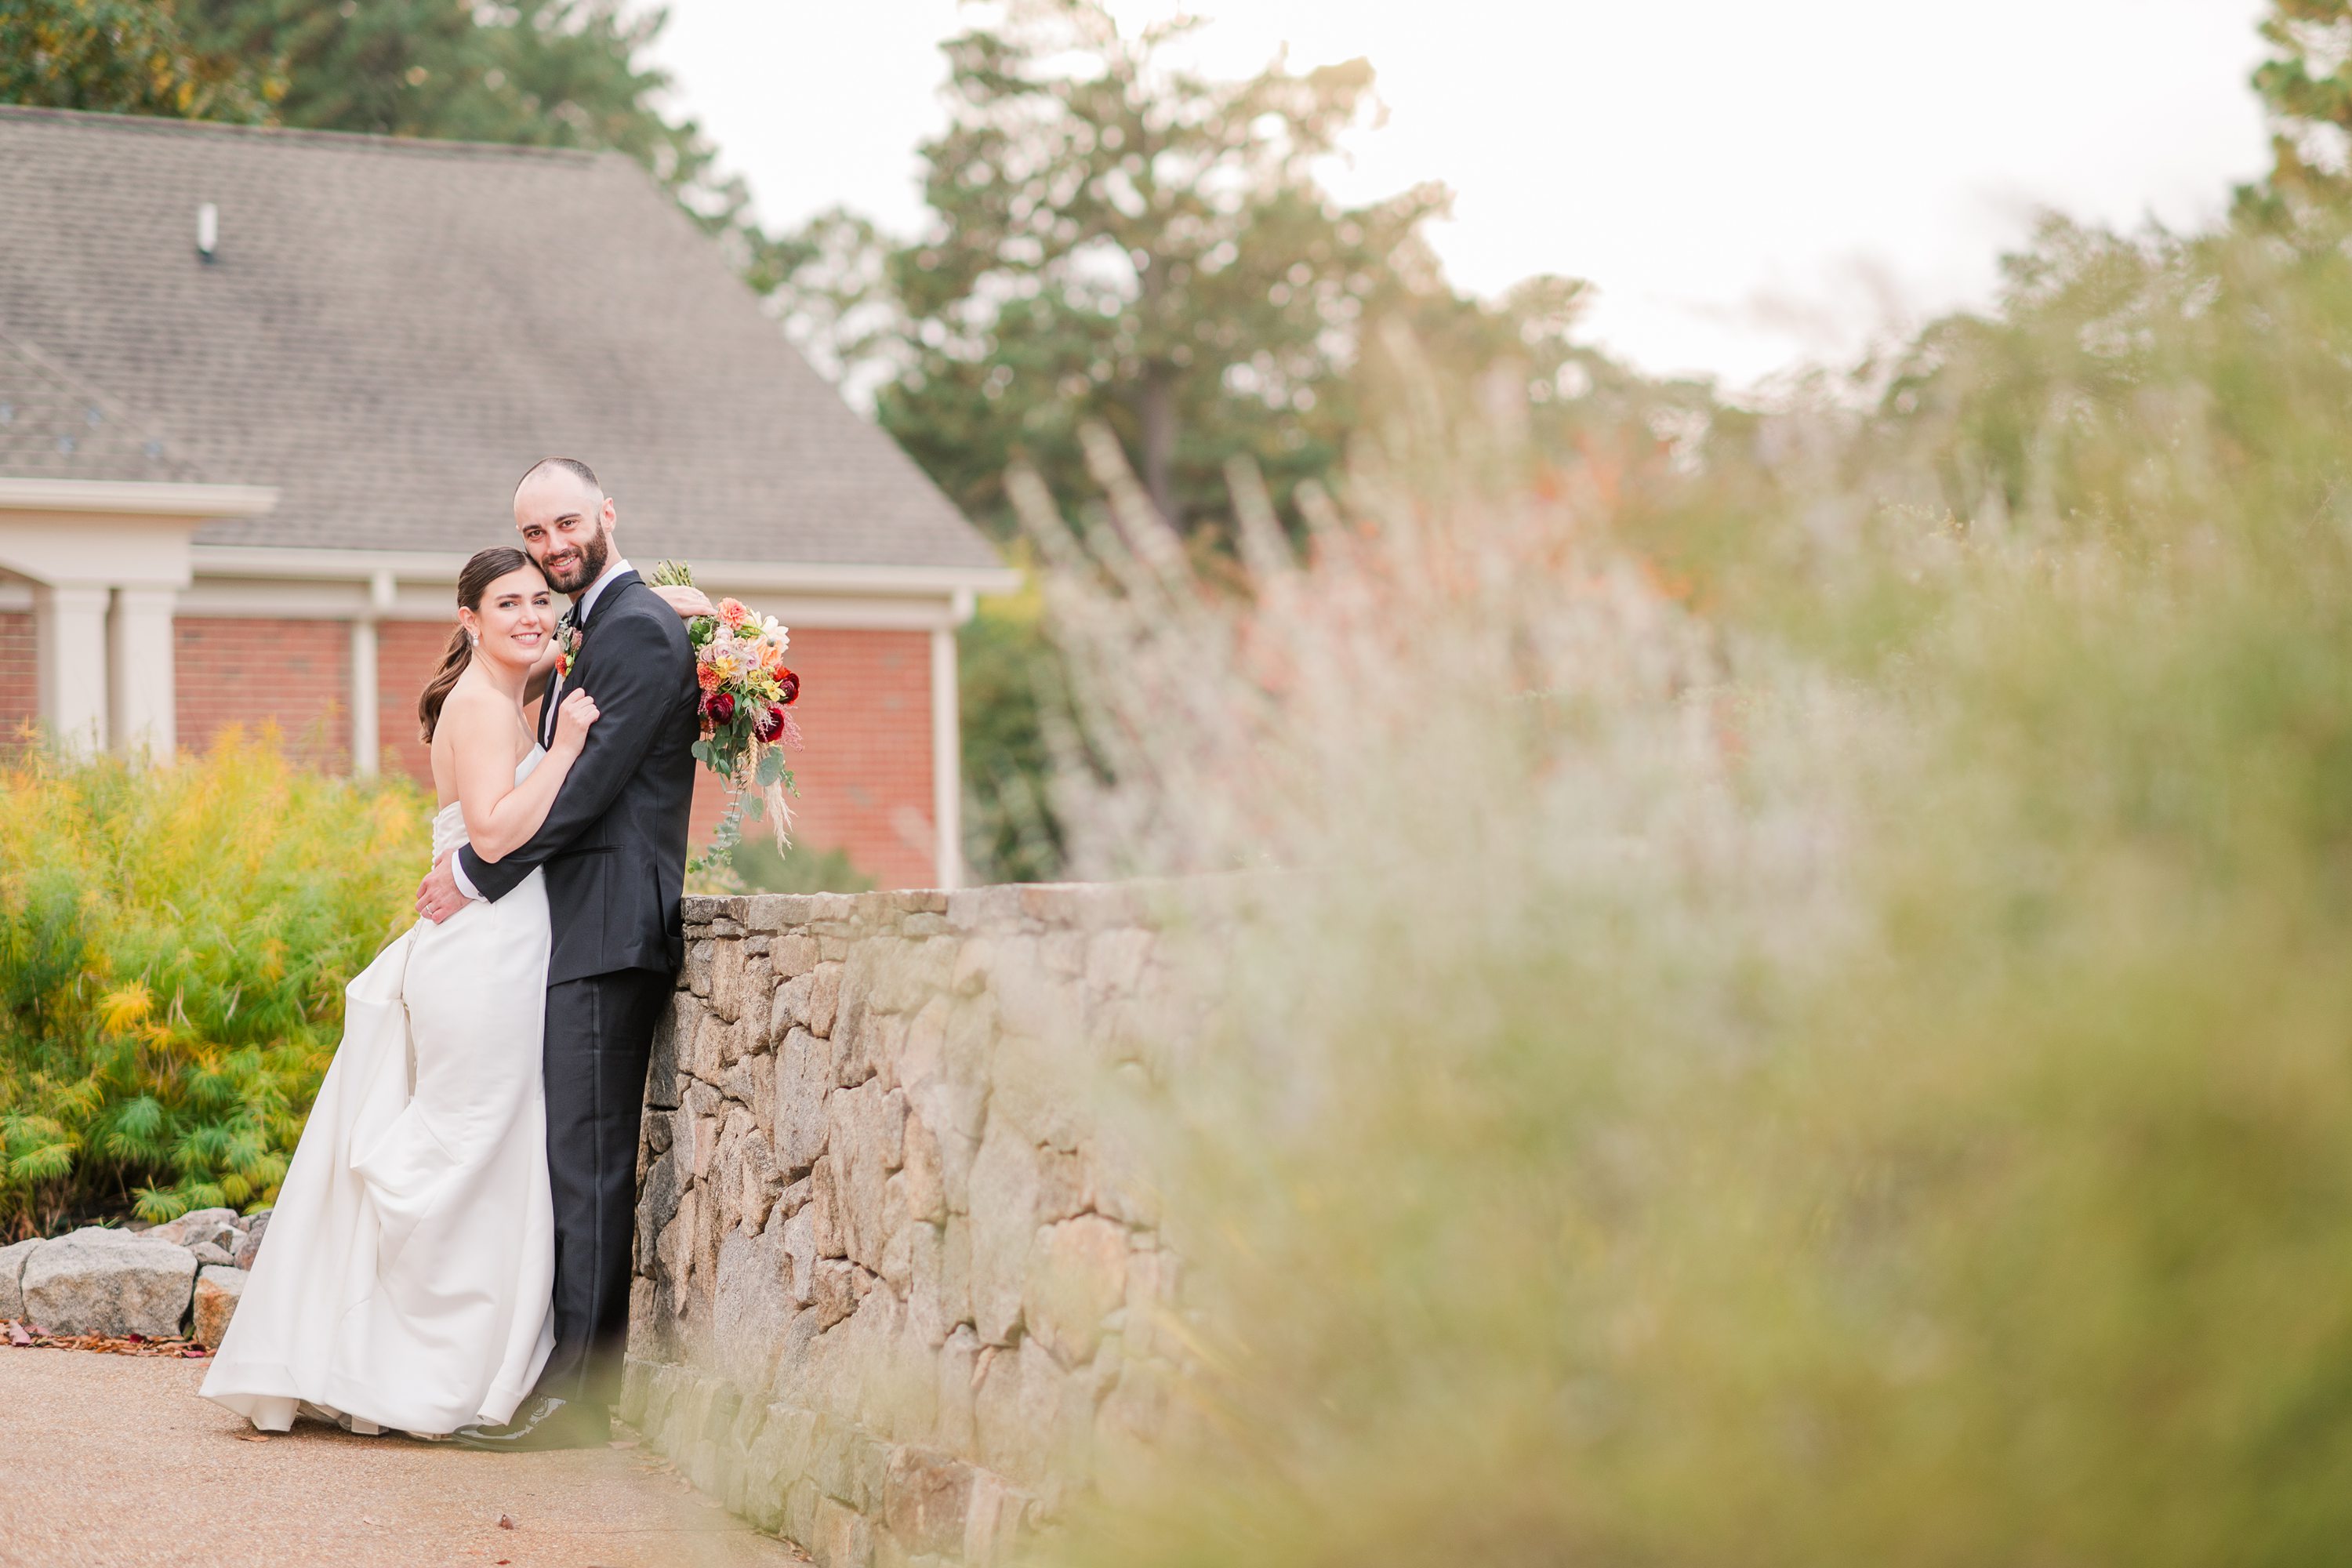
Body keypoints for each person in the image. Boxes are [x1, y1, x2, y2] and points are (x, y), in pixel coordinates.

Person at [415, 456, 702, 1451]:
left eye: (564, 525)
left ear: (607, 515)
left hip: (607, 925)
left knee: (587, 1166)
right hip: (576, 926)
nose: (551, 547)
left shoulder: (633, 632)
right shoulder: (615, 620)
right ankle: (560, 1370)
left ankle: (579, 1399)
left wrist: (476, 876)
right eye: (533, 535)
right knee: (571, 1160)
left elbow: (586, 792)